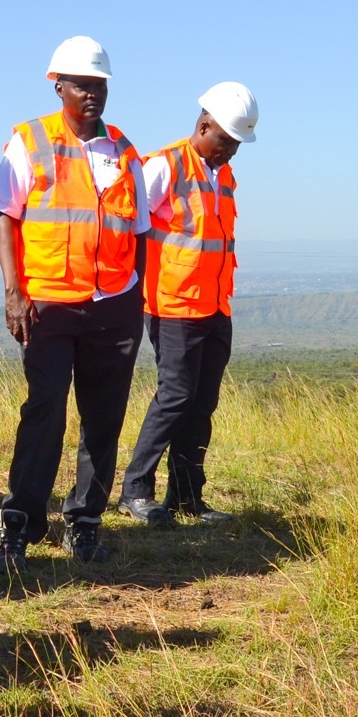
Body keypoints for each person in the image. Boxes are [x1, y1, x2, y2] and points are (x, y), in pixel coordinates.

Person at [0, 36, 149, 569]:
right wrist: (14, 293)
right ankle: (18, 525)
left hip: (113, 305)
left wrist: (134, 301)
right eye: (82, 84)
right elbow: (5, 217)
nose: (92, 94)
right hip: (48, 305)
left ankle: (84, 523)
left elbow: (140, 232)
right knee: (45, 411)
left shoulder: (124, 150)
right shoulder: (30, 140)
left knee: (103, 419)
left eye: (100, 85)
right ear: (58, 86)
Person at [119, 83, 258, 527]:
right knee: (175, 397)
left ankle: (186, 497)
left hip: (215, 306)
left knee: (201, 404)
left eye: (237, 144)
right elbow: (129, 226)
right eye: (226, 141)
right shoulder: (166, 165)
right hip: (173, 305)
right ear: (203, 126)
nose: (231, 151)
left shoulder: (225, 176)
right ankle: (135, 490)